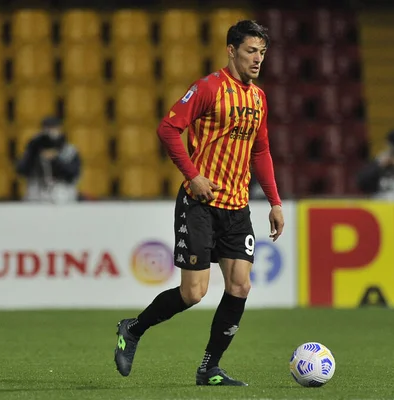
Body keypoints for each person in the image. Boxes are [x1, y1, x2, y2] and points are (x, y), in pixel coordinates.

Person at [113, 20, 284, 386]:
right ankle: (133, 328)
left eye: (262, 53)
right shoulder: (209, 88)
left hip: (237, 207)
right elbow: (168, 129)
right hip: (200, 203)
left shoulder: (258, 97)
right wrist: (192, 175)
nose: (258, 59)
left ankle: (209, 368)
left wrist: (275, 201)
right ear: (231, 50)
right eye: (251, 51)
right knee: (193, 293)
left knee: (240, 286)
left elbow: (262, 149)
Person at [15, 116, 81, 203]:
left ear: (60, 129)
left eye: (54, 128)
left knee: (61, 195)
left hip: (62, 191)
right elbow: (21, 170)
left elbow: (72, 173)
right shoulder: (35, 148)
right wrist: (32, 151)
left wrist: (56, 159)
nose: (50, 131)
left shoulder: (69, 150)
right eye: (47, 128)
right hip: (38, 191)